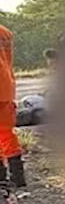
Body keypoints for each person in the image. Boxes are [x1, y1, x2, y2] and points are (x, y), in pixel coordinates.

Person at [0, 25, 25, 187]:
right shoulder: (5, 32)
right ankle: (17, 178)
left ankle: (2, 178)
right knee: (6, 133)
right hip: (5, 88)